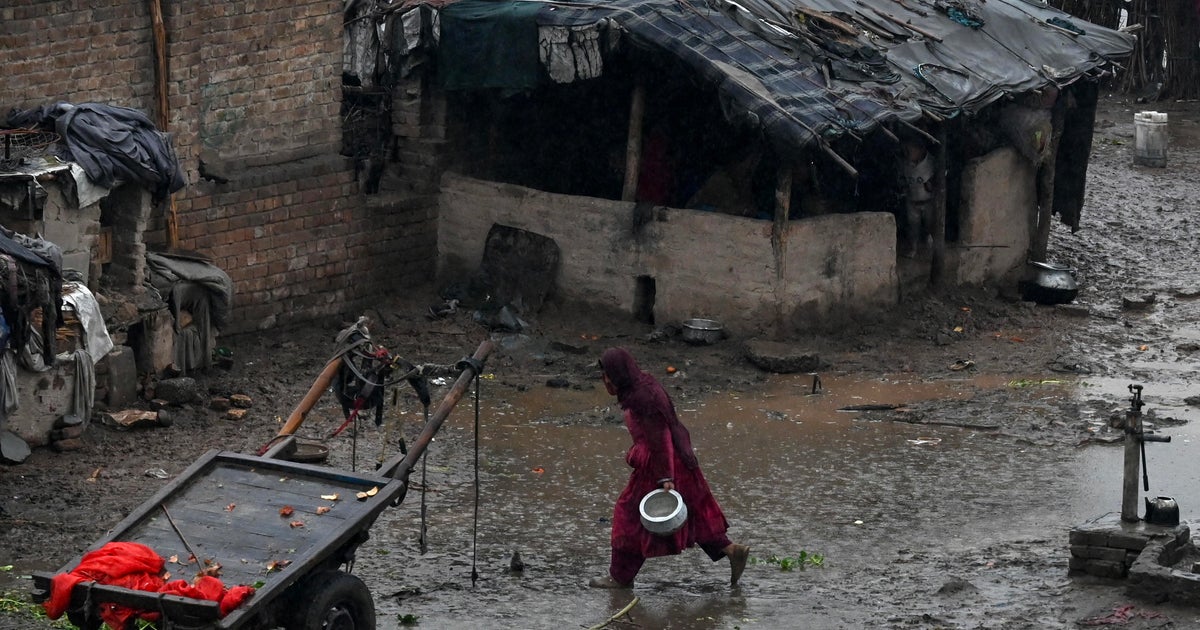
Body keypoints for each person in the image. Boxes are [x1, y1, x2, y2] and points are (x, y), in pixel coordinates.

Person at [590, 347, 750, 588]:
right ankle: (731, 550)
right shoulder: (644, 385)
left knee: (628, 516)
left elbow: (660, 437)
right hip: (680, 459)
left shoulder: (642, 399)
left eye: (608, 376)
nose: (606, 382)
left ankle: (620, 577)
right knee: (694, 512)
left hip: (660, 464)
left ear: (619, 374)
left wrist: (665, 477)